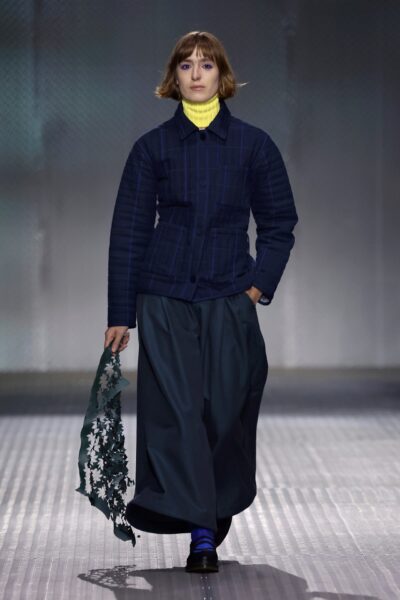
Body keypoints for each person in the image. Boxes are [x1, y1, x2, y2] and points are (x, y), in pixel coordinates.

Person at [104, 31, 299, 573]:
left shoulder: (254, 146)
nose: (196, 74)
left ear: (222, 75)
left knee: (225, 410)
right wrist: (121, 313)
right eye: (186, 65)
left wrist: (255, 288)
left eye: (206, 64)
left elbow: (279, 223)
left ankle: (209, 511)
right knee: (180, 412)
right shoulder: (152, 148)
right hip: (164, 295)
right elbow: (129, 232)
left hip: (228, 293)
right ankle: (201, 535)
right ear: (173, 77)